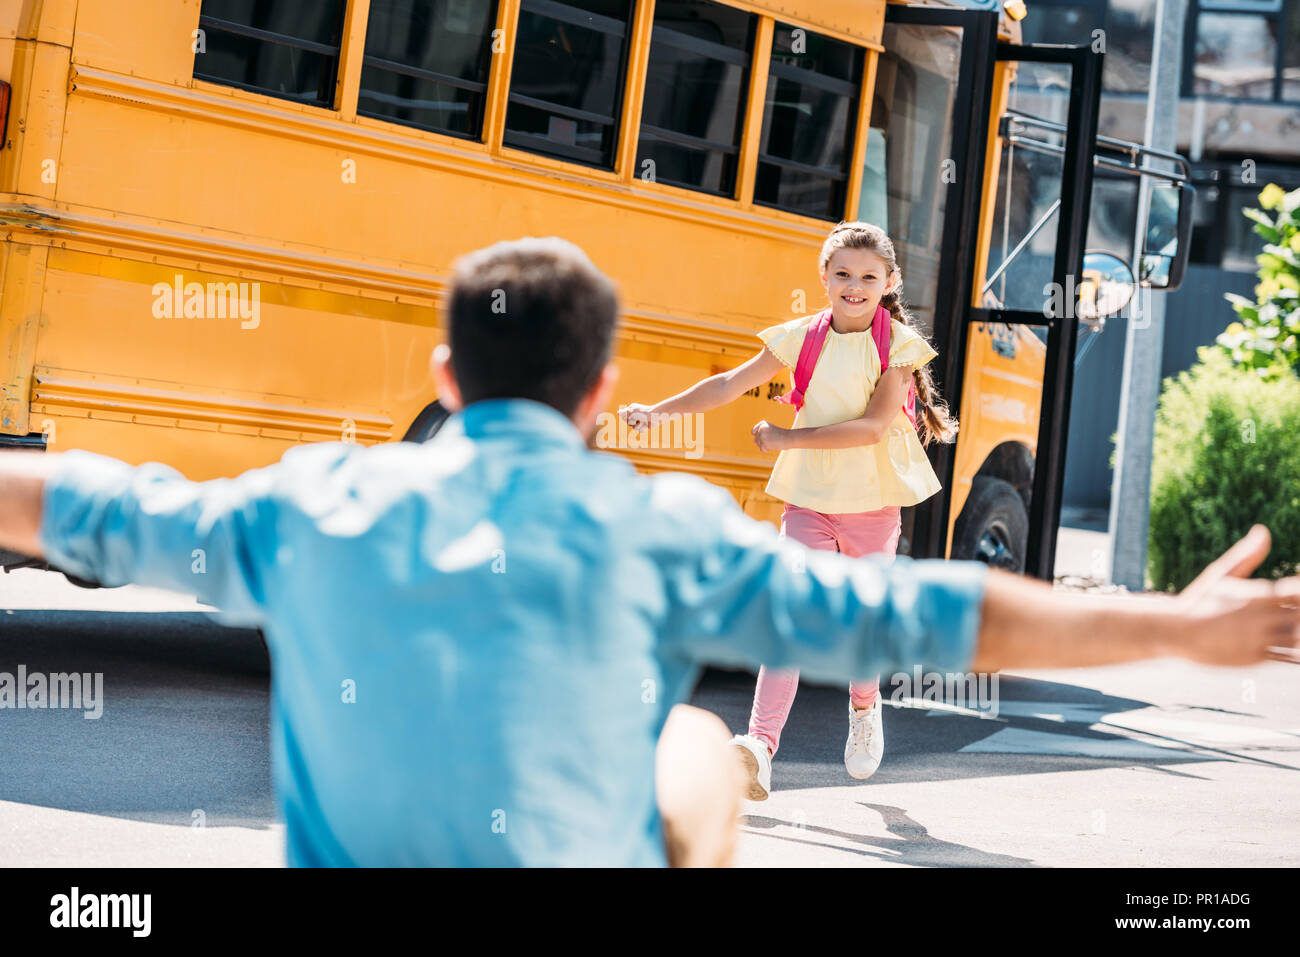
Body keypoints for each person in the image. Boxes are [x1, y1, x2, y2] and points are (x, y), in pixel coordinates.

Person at [0, 237, 1295, 867]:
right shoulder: (663, 529)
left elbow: (80, 499)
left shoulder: (313, 505)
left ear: (445, 373)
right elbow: (921, 615)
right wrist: (1172, 627)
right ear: (599, 387)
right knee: (691, 745)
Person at [621, 221, 955, 797]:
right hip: (810, 501)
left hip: (872, 504)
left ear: (889, 282)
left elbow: (874, 427)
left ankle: (864, 706)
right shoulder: (803, 336)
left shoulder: (897, 346)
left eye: (868, 277)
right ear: (823, 277)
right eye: (843, 274)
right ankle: (758, 747)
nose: (854, 286)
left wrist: (786, 439)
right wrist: (657, 411)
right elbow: (728, 383)